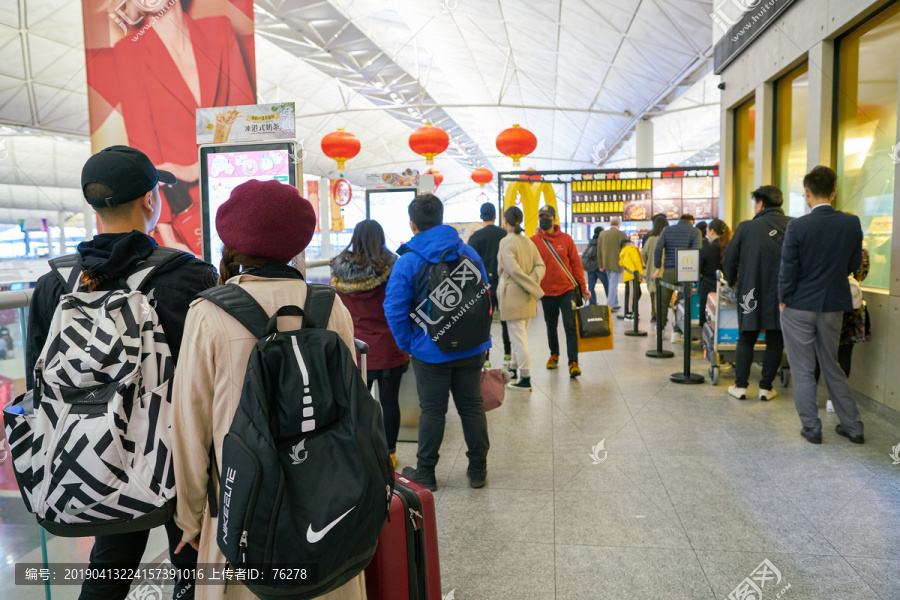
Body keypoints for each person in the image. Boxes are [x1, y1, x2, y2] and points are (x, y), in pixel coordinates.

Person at [25, 145, 215, 600]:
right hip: (177, 455)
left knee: (108, 569)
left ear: (93, 204)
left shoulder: (54, 284)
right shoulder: (189, 276)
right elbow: (205, 378)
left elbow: (39, 383)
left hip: (97, 455)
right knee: (192, 566)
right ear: (151, 199)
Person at [170, 179, 366, 600]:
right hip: (328, 504)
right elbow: (356, 410)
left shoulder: (208, 315)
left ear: (233, 242)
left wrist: (189, 518)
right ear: (298, 240)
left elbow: (189, 426)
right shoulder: (330, 306)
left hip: (244, 513)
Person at [108, 0, 256, 254]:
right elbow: (144, 150)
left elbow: (245, 123)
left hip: (234, 195)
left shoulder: (220, 29)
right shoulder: (129, 51)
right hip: (180, 217)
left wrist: (196, 168)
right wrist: (167, 234)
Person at [383, 194, 491, 491]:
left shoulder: (408, 260)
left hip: (430, 350)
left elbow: (393, 308)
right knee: (472, 406)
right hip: (472, 346)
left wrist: (409, 344)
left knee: (432, 411)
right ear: (441, 219)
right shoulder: (468, 252)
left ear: (413, 223)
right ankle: (478, 469)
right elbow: (484, 294)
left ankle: (426, 472)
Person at [779, 166, 865, 445]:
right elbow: (854, 266)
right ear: (834, 191)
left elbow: (788, 270)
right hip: (833, 306)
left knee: (803, 368)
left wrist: (782, 299)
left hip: (798, 306)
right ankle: (853, 427)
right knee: (832, 365)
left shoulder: (797, 226)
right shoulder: (851, 224)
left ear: (807, 193)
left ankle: (812, 429)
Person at [331, 220, 409, 470]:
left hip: (355, 346)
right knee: (389, 402)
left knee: (356, 404)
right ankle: (390, 454)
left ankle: (360, 453)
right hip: (388, 345)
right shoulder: (392, 265)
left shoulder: (339, 268)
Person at [722, 187, 790, 401]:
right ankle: (765, 388)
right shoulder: (793, 225)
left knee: (746, 337)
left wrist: (731, 281)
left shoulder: (747, 227)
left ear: (760, 203)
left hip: (750, 291)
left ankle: (741, 386)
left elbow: (729, 260)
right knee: (776, 338)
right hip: (783, 293)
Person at [531, 205, 591, 378]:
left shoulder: (566, 239)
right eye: (541, 216)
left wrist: (583, 288)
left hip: (567, 290)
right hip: (546, 292)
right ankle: (554, 354)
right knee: (551, 327)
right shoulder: (533, 241)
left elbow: (576, 265)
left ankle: (573, 362)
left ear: (554, 219)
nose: (544, 219)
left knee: (570, 326)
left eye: (547, 216)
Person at [497, 207, 546, 391]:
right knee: (519, 334)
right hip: (527, 298)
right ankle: (514, 371)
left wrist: (529, 285)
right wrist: (532, 283)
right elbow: (540, 265)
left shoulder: (506, 242)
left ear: (505, 221)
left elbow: (513, 271)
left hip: (512, 296)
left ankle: (525, 378)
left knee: (518, 338)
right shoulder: (528, 242)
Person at [817, 248, 871, 413]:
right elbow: (862, 274)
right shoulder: (861, 252)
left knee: (817, 352)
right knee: (844, 355)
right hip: (851, 310)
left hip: (826, 306)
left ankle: (809, 397)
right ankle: (834, 400)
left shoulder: (827, 249)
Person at [467, 202, 511, 367]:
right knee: (506, 319)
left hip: (484, 287)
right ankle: (507, 354)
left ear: (481, 216)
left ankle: (486, 358)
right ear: (495, 216)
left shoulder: (475, 237)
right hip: (504, 283)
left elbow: (469, 264)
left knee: (485, 321)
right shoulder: (504, 234)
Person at [653, 214, 701, 333]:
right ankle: (679, 328)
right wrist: (698, 271)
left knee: (663, 300)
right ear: (691, 221)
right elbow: (698, 251)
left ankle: (660, 328)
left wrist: (658, 266)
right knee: (684, 300)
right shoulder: (695, 231)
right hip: (686, 271)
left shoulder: (667, 230)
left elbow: (658, 248)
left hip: (669, 270)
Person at [699, 219, 731, 331]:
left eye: (707, 230)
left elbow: (699, 271)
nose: (706, 233)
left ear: (712, 231)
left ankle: (706, 344)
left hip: (708, 288)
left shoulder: (707, 250)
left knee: (707, 319)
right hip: (727, 289)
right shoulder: (730, 247)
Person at [596, 218, 628, 310]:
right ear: (618, 224)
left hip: (605, 263)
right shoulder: (621, 234)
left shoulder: (603, 234)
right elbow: (626, 249)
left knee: (612, 283)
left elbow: (599, 250)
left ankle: (615, 303)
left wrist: (600, 264)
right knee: (613, 284)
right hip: (617, 263)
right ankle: (610, 306)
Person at [641, 215, 667, 323]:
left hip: (653, 271)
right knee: (667, 295)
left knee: (654, 294)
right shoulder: (667, 239)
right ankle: (663, 315)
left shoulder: (650, 239)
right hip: (666, 271)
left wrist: (647, 264)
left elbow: (643, 254)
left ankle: (655, 315)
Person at [582, 225, 609, 303]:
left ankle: (592, 303)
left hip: (590, 268)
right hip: (599, 267)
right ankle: (610, 302)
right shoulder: (602, 242)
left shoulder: (591, 242)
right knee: (607, 285)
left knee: (591, 287)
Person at [619, 237, 643, 321]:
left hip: (631, 276)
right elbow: (637, 262)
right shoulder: (631, 250)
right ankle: (629, 313)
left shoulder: (625, 251)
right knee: (632, 295)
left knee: (635, 294)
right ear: (628, 244)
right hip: (633, 276)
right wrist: (640, 274)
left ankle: (632, 311)